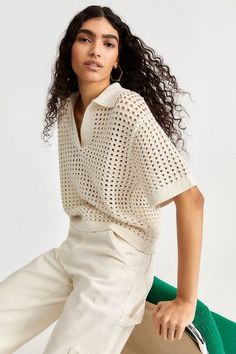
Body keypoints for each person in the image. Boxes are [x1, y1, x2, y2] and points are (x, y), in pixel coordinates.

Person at [0, 5, 204, 354]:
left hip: (118, 265)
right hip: (72, 250)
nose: (96, 50)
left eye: (108, 44)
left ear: (116, 59)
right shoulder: (68, 109)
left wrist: (187, 300)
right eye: (85, 39)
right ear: (70, 50)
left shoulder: (128, 108)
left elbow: (191, 199)